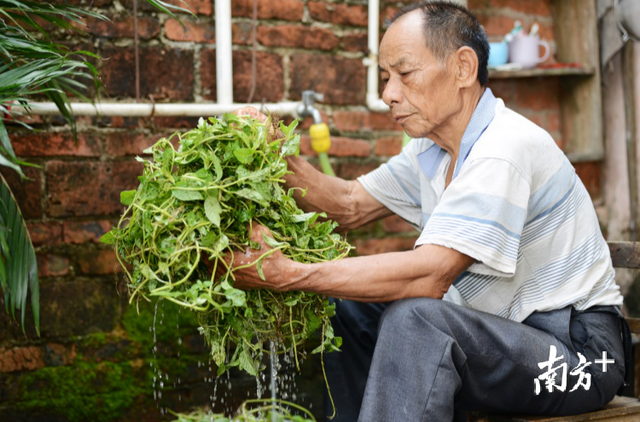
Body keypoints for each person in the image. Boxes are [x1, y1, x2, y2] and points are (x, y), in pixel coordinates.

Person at [231, 2, 631, 421]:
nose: (388, 93)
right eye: (386, 78)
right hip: (507, 341)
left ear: (462, 68)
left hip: (578, 359)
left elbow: (430, 275)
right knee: (347, 306)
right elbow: (348, 204)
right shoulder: (432, 150)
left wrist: (287, 273)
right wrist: (274, 154)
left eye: (405, 74)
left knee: (416, 320)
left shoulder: (503, 149)